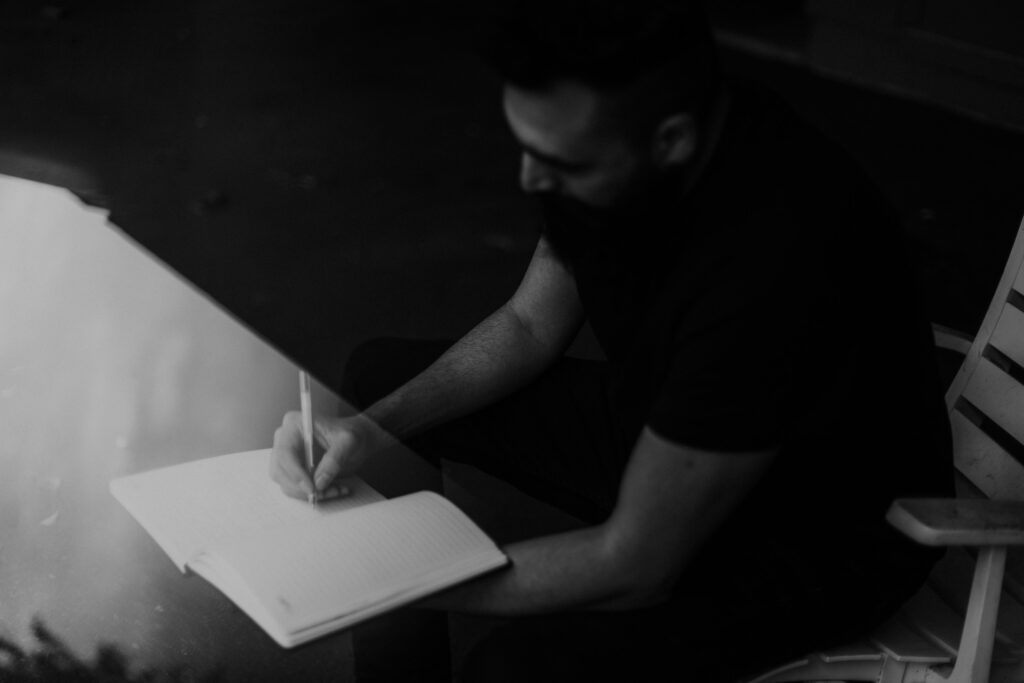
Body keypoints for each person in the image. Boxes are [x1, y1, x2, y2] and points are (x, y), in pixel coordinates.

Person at [270, 1, 954, 680]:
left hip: (811, 536)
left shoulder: (771, 265)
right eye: (527, 145)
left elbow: (634, 566)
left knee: (509, 670)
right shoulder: (630, 144)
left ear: (671, 141)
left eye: (558, 162)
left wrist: (399, 585)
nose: (529, 178)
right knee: (376, 377)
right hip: (673, 427)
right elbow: (529, 324)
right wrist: (369, 429)